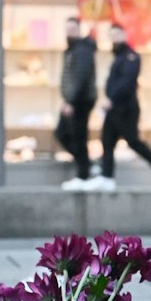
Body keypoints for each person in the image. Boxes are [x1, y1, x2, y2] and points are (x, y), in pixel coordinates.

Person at [92, 23, 151, 192]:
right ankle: (106, 177)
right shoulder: (118, 57)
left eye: (117, 34)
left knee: (133, 141)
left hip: (125, 109)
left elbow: (127, 82)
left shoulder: (131, 57)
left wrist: (112, 99)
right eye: (112, 35)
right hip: (113, 109)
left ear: (124, 35)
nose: (114, 38)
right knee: (107, 142)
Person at [55, 18, 100, 191]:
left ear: (78, 30)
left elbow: (81, 78)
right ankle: (87, 165)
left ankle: (84, 173)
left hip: (79, 101)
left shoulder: (82, 49)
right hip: (72, 100)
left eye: (72, 29)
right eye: (67, 29)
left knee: (78, 136)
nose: (69, 32)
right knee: (63, 133)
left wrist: (71, 101)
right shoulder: (74, 49)